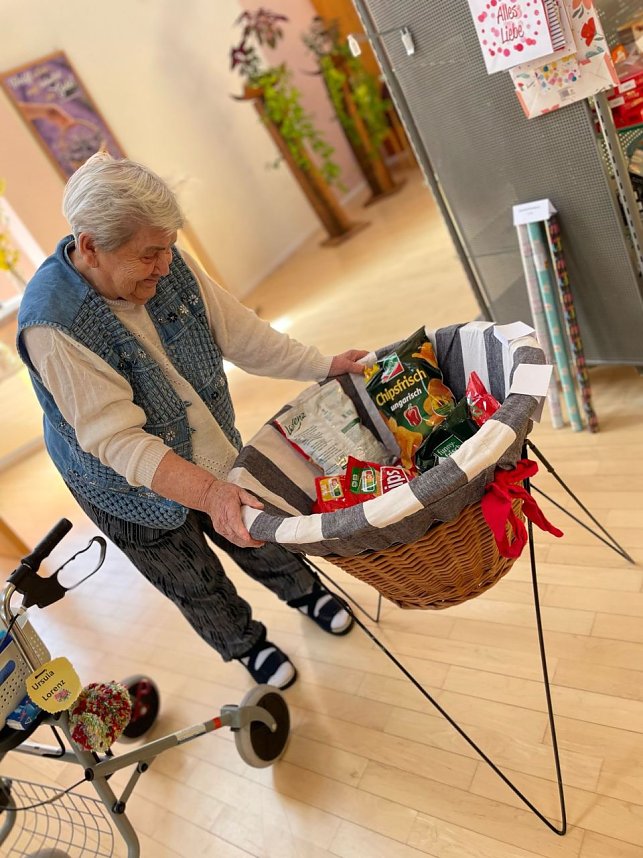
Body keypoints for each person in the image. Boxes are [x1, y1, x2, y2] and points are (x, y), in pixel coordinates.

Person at [17, 152, 368, 690]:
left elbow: (241, 333)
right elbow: (120, 442)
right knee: (190, 578)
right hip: (120, 483)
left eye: (168, 248)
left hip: (203, 441)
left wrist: (323, 366)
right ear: (90, 247)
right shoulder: (53, 324)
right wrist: (209, 494)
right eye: (148, 255)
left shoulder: (166, 263)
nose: (164, 265)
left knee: (255, 530)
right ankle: (248, 645)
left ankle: (306, 593)